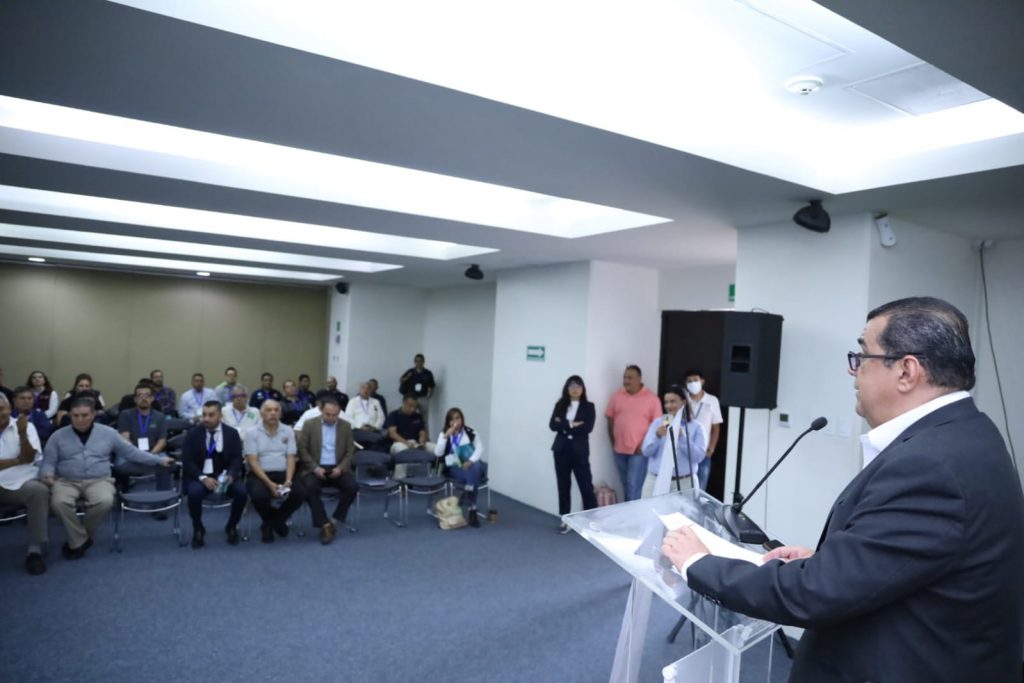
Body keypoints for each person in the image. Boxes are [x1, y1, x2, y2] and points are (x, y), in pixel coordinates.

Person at [661, 297, 1024, 683]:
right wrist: (831, 560)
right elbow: (917, 558)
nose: (852, 371)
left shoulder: (931, 465)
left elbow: (814, 594)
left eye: (861, 356)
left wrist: (697, 562)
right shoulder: (969, 433)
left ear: (906, 371)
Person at [40, 397, 173, 559]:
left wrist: (159, 460)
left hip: (99, 480)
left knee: (105, 501)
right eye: (76, 416)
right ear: (70, 415)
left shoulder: (108, 433)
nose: (80, 419)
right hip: (67, 481)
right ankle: (81, 539)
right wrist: (47, 474)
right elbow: (49, 461)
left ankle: (78, 539)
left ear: (93, 415)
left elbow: (132, 453)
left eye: (84, 415)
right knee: (59, 503)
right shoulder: (57, 436)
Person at [181, 401, 246, 548]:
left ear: (220, 416)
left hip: (225, 475)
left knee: (241, 492)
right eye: (204, 415)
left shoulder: (231, 433)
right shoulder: (193, 434)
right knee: (194, 493)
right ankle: (198, 528)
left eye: (211, 415)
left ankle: (232, 526)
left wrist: (231, 475)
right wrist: (203, 478)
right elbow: (187, 461)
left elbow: (237, 458)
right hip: (200, 476)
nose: (206, 419)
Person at [297, 397, 358, 545]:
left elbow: (350, 451)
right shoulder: (309, 424)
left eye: (335, 415)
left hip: (337, 467)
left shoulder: (345, 426)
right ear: (321, 410)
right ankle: (324, 524)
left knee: (352, 486)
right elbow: (302, 449)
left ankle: (333, 520)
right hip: (315, 467)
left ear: (339, 413)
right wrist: (315, 468)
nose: (331, 418)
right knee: (309, 487)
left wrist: (341, 468)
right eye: (328, 414)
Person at [244, 400, 307, 543]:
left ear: (281, 413)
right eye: (268, 410)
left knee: (300, 492)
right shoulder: (252, 432)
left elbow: (291, 457)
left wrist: (289, 480)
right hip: (260, 474)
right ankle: (272, 521)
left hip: (284, 472)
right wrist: (269, 483)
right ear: (261, 414)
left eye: (276, 410)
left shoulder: (288, 430)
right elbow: (252, 461)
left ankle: (276, 520)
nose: (272, 413)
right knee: (259, 495)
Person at [0, 394, 49, 574]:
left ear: (9, 408)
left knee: (38, 491)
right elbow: (21, 459)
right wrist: (16, 460)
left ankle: (35, 550)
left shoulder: (26, 426)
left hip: (18, 482)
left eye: (1, 409)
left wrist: (22, 435)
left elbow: (28, 458)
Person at [605, 365, 662, 502]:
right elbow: (610, 418)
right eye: (625, 377)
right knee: (626, 484)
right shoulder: (617, 395)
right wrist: (613, 441)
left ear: (639, 379)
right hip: (619, 450)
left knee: (634, 486)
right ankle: (629, 512)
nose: (626, 381)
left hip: (638, 452)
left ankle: (634, 515)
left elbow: (657, 425)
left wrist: (642, 445)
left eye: (630, 378)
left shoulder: (652, 399)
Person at [549, 375, 597, 534]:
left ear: (583, 389)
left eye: (578, 386)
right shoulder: (560, 405)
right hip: (561, 450)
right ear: (567, 388)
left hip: (579, 451)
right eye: (572, 386)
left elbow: (587, 428)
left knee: (586, 486)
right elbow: (552, 425)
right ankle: (564, 519)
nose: (575, 389)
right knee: (563, 486)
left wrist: (563, 426)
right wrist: (571, 424)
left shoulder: (589, 407)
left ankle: (592, 521)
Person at [640, 385, 706, 498]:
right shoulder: (658, 423)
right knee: (648, 510)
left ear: (683, 402)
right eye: (666, 402)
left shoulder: (696, 427)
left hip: (685, 483)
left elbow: (698, 457)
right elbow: (645, 452)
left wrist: (682, 438)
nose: (668, 406)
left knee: (684, 510)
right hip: (655, 481)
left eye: (673, 401)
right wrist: (657, 437)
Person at [116, 383, 171, 498]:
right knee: (120, 465)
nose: (143, 398)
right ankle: (124, 498)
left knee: (167, 464)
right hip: (130, 453)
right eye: (140, 396)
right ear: (135, 399)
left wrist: (150, 456)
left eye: (147, 395)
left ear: (152, 398)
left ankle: (163, 500)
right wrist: (140, 456)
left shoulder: (160, 416)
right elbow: (125, 440)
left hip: (154, 452)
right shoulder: (125, 415)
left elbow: (162, 441)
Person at [433, 407, 485, 528]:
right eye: (452, 419)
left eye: (458, 418)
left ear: (462, 419)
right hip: (455, 468)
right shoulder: (444, 434)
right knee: (473, 476)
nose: (455, 422)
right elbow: (438, 453)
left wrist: (471, 461)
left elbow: (480, 448)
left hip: (471, 465)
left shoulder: (470, 432)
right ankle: (472, 507)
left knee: (476, 466)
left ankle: (469, 492)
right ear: (448, 422)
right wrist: (445, 436)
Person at [684, 369, 723, 491]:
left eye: (695, 380)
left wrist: (711, 448)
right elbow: (669, 417)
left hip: (703, 451)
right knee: (684, 487)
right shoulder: (683, 399)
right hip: (684, 451)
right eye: (689, 381)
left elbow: (716, 427)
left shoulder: (712, 400)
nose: (692, 383)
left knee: (700, 487)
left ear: (702, 381)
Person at [345, 381, 387, 450]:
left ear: (371, 390)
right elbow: (348, 418)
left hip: (373, 429)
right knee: (376, 439)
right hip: (357, 429)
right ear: (359, 390)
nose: (365, 390)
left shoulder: (376, 402)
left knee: (378, 442)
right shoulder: (352, 401)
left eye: (368, 388)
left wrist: (375, 427)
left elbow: (381, 417)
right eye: (363, 388)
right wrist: (360, 427)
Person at [399, 354, 435, 430]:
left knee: (424, 420)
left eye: (420, 361)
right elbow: (401, 380)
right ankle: (408, 433)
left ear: (424, 361)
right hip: (411, 398)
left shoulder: (428, 373)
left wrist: (430, 394)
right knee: (408, 416)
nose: (418, 363)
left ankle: (425, 435)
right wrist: (407, 377)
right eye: (416, 361)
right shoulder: (410, 371)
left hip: (423, 397)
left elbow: (432, 385)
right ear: (414, 362)